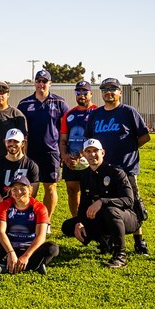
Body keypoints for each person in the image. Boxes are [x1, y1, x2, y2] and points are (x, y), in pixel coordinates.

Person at [86, 77, 151, 255]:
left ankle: (139, 241)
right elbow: (89, 139)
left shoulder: (128, 112)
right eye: (105, 89)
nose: (108, 92)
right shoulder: (95, 114)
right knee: (105, 204)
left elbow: (145, 136)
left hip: (126, 168)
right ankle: (107, 239)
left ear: (120, 93)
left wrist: (129, 148)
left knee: (133, 203)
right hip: (103, 168)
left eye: (113, 89)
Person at [61, 139, 140, 268]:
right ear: (84, 154)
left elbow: (129, 201)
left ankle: (120, 255)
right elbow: (84, 203)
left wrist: (103, 202)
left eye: (95, 151)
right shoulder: (85, 176)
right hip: (104, 217)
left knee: (110, 211)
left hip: (127, 217)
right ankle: (104, 241)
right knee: (69, 226)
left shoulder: (116, 172)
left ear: (102, 152)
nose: (92, 155)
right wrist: (80, 222)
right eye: (88, 151)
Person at [18, 69, 69, 217]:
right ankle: (27, 217)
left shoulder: (60, 103)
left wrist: (63, 151)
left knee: (50, 187)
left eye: (44, 81)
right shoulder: (24, 103)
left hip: (51, 152)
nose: (41, 84)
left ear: (50, 83)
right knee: (28, 188)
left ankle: (46, 220)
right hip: (30, 152)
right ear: (34, 83)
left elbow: (65, 129)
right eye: (38, 81)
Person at [0, 176, 59, 275]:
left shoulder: (39, 207)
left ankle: (6, 267)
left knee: (52, 248)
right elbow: (0, 232)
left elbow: (41, 236)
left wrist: (26, 256)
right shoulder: (3, 205)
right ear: (10, 191)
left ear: (30, 190)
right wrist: (11, 253)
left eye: (22, 189)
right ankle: (34, 266)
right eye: (14, 189)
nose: (18, 192)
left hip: (30, 248)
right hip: (9, 247)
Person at [59, 80, 97, 217]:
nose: (81, 95)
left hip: (90, 161)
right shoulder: (69, 114)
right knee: (71, 190)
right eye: (78, 92)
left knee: (91, 192)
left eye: (84, 92)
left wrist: (82, 154)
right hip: (71, 161)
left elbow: (99, 139)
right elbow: (63, 140)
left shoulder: (97, 112)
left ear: (91, 93)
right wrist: (65, 156)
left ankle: (91, 219)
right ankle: (76, 219)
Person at [0, 128, 40, 205]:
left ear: (23, 143)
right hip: (3, 207)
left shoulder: (31, 165)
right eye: (9, 141)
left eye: (16, 141)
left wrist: (20, 207)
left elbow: (33, 191)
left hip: (23, 207)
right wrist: (5, 207)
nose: (12, 144)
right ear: (5, 142)